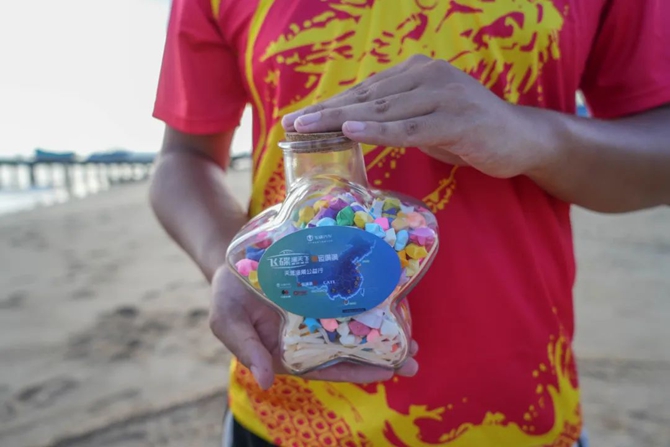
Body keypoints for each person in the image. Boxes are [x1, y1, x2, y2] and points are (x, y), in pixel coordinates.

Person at [150, 0, 670, 445]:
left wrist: (536, 136)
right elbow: (183, 158)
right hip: (290, 408)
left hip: (519, 413)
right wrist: (228, 263)